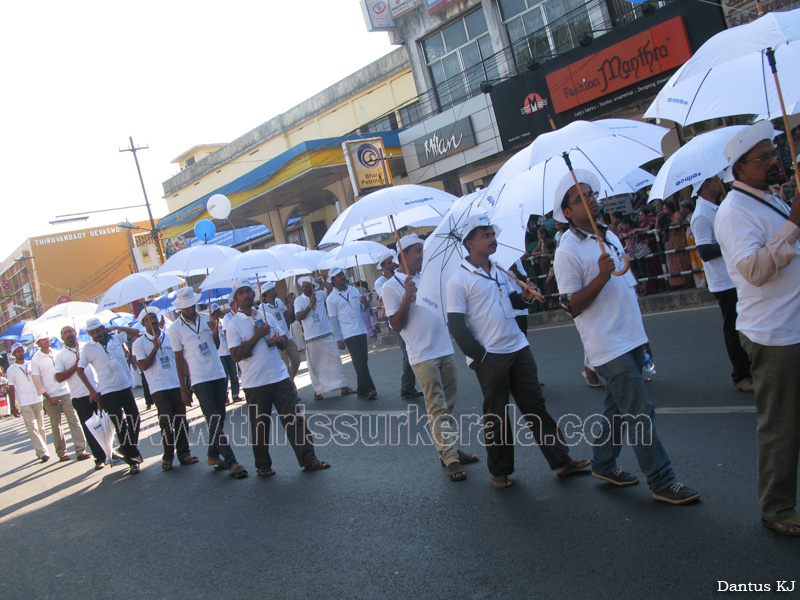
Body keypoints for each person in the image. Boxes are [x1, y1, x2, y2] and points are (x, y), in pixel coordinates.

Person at [552, 170, 699, 505]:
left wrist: (641, 334)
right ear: (567, 213)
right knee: (639, 411)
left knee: (618, 410)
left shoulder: (609, 236)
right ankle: (662, 481)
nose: (589, 200)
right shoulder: (567, 251)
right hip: (607, 346)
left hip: (630, 337)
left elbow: (627, 288)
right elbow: (571, 305)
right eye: (580, 198)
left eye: (590, 194)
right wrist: (601, 277)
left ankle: (603, 463)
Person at [446, 214, 589, 489]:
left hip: (518, 346)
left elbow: (510, 301)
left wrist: (523, 297)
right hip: (491, 355)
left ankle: (561, 460)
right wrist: (481, 357)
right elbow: (456, 324)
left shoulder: (500, 269)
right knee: (497, 415)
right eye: (485, 235)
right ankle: (499, 471)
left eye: (492, 234)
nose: (492, 239)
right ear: (469, 242)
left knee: (535, 406)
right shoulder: (458, 280)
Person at [715, 121, 800, 535]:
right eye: (763, 157)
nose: (774, 160)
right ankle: (778, 507)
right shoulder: (734, 212)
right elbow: (754, 270)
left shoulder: (771, 199)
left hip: (795, 323)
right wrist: (795, 224)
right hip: (775, 334)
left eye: (774, 152)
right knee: (781, 426)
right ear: (740, 168)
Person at [383, 234, 478, 482]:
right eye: (416, 251)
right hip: (422, 354)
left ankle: (449, 449)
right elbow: (396, 325)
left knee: (449, 404)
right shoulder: (390, 285)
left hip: (444, 347)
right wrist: (406, 296)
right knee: (436, 406)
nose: (421, 255)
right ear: (402, 254)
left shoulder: (427, 277)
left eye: (422, 250)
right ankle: (450, 458)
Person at [227, 280, 330, 477]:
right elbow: (236, 355)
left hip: (279, 377)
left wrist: (277, 341)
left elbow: (284, 340)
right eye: (241, 292)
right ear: (236, 299)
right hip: (255, 383)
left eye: (249, 291)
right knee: (260, 426)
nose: (247, 295)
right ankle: (263, 465)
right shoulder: (234, 325)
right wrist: (258, 336)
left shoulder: (265, 316)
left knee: (295, 420)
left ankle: (309, 459)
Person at [168, 286, 247, 479]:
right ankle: (232, 462)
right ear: (180, 308)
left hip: (218, 374)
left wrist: (214, 332)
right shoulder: (175, 329)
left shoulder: (207, 319)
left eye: (192, 305)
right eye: (186, 307)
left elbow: (218, 345)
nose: (190, 309)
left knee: (219, 418)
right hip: (199, 378)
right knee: (212, 419)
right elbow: (179, 360)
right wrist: (183, 388)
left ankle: (213, 454)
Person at [690, 175, 753, 393]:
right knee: (734, 330)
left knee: (747, 325)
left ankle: (751, 368)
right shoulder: (701, 215)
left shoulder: (718, 208)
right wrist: (729, 241)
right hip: (723, 281)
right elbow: (705, 252)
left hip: (736, 275)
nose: (720, 183)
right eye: (715, 180)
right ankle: (741, 375)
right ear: (706, 184)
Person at [132, 307, 198, 471]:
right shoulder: (138, 344)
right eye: (148, 319)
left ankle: (184, 453)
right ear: (143, 323)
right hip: (158, 387)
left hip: (176, 384)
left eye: (154, 317)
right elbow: (143, 366)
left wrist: (190, 379)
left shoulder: (170, 336)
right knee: (166, 422)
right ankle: (168, 457)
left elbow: (181, 359)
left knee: (181, 420)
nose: (152, 320)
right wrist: (155, 348)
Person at [76, 318, 144, 475]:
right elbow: (80, 370)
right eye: (92, 332)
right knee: (120, 424)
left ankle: (127, 448)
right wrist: (92, 391)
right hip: (107, 391)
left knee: (135, 417)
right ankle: (133, 460)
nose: (96, 334)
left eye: (98, 331)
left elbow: (136, 332)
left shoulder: (116, 338)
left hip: (125, 385)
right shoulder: (88, 348)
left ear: (103, 329)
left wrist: (115, 327)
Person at [293, 275, 356, 401]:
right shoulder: (299, 301)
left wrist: (321, 282)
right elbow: (298, 317)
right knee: (315, 366)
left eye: (307, 286)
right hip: (311, 338)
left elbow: (333, 291)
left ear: (312, 287)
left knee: (335, 361)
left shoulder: (321, 295)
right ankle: (319, 391)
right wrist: (310, 306)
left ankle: (342, 387)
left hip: (327, 334)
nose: (304, 289)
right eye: (303, 287)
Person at [30, 332, 91, 462]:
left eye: (47, 338)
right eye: (42, 339)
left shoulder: (58, 353)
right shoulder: (36, 359)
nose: (46, 341)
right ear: (38, 343)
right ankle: (61, 452)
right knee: (56, 426)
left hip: (66, 392)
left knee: (74, 421)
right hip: (50, 396)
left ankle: (81, 450)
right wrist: (47, 396)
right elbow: (37, 381)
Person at [54, 325, 108, 469]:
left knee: (106, 424)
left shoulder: (88, 347)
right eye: (65, 333)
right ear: (62, 338)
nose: (68, 334)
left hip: (98, 390)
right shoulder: (61, 356)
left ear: (75, 332)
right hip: (79, 396)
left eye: (70, 331)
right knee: (91, 429)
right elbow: (59, 377)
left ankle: (110, 450)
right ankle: (99, 458)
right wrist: (76, 366)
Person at [374, 251, 423, 400]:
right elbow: (386, 300)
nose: (393, 264)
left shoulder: (410, 275)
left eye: (393, 261)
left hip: (414, 319)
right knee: (408, 353)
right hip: (397, 322)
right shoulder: (381, 283)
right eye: (389, 263)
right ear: (383, 267)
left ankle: (410, 386)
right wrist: (392, 278)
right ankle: (407, 387)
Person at [326, 267, 378, 400]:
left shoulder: (354, 290)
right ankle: (369, 389)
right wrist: (338, 338)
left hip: (360, 330)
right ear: (333, 280)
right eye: (338, 276)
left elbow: (363, 308)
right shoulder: (331, 298)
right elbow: (333, 320)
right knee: (359, 360)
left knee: (363, 360)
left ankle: (361, 390)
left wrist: (365, 303)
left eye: (342, 274)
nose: (342, 277)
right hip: (347, 333)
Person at [6, 343, 50, 462]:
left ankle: (41, 449)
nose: (20, 353)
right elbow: (11, 388)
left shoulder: (31, 364)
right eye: (18, 351)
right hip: (24, 401)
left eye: (21, 350)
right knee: (32, 427)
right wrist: (14, 407)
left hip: (36, 398)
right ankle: (43, 452)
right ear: (14, 354)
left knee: (41, 427)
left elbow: (39, 378)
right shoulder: (11, 370)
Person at [260, 282, 302, 385]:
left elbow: (287, 315)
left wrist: (290, 305)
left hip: (287, 336)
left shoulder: (278, 301)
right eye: (273, 289)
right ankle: (292, 389)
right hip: (277, 339)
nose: (276, 291)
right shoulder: (263, 309)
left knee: (296, 360)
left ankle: (290, 381)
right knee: (285, 365)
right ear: (267, 293)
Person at [211, 302, 242, 403]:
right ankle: (224, 395)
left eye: (219, 310)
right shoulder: (210, 325)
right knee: (224, 376)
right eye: (216, 311)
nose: (219, 312)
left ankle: (235, 394)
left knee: (234, 374)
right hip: (220, 354)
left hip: (228, 351)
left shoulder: (222, 321)